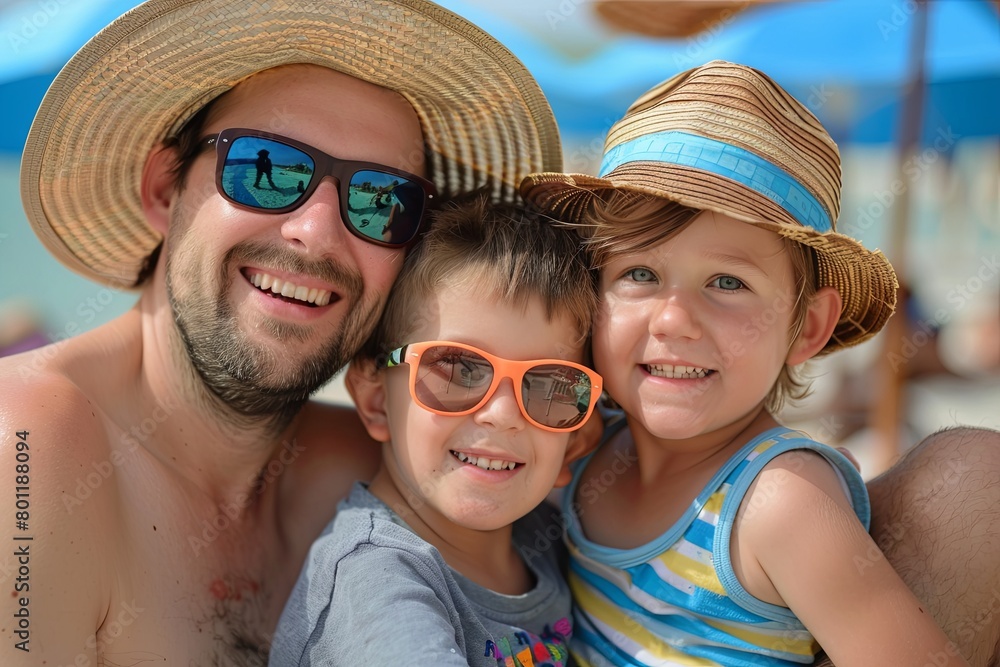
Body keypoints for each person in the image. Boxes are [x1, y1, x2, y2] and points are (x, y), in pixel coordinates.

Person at [1, 0, 561, 664]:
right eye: (265, 167)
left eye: (382, 200)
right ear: (162, 189)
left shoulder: (390, 464)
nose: (316, 233)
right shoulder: (27, 454)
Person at [521, 61, 986, 665]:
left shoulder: (777, 503)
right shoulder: (584, 452)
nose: (674, 319)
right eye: (639, 274)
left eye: (727, 282)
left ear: (808, 326)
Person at [269, 195, 600, 664]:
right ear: (377, 400)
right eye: (459, 369)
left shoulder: (544, 536)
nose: (503, 414)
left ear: (573, 445)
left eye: (550, 386)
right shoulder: (377, 584)